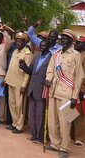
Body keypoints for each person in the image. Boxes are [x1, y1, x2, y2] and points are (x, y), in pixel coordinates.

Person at [45, 29, 84, 158]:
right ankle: (55, 143)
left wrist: (74, 96)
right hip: (53, 91)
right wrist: (48, 79)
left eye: (66, 38)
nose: (63, 40)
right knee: (52, 120)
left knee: (65, 122)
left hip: (67, 94)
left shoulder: (76, 55)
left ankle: (64, 148)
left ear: (71, 41)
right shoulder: (56, 54)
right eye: (62, 38)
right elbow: (50, 69)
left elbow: (79, 76)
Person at [19, 40, 52, 144]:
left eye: (44, 46)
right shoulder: (36, 56)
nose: (41, 47)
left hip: (42, 90)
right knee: (32, 114)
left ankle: (40, 137)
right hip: (32, 89)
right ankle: (33, 135)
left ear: (48, 47)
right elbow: (30, 71)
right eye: (40, 46)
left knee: (40, 115)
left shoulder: (52, 58)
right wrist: (24, 66)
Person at [3, 32, 33, 134]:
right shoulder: (15, 51)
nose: (18, 43)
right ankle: (14, 123)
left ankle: (20, 126)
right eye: (17, 41)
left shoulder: (27, 54)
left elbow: (27, 72)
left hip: (19, 84)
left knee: (19, 106)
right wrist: (6, 79)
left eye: (20, 41)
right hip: (11, 81)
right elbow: (11, 67)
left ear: (25, 42)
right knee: (11, 104)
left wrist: (24, 85)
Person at [71, 36, 85, 147]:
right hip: (70, 86)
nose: (77, 45)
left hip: (80, 89)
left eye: (80, 43)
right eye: (77, 43)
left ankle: (79, 137)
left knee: (79, 115)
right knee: (70, 111)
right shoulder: (75, 54)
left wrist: (82, 90)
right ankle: (72, 135)